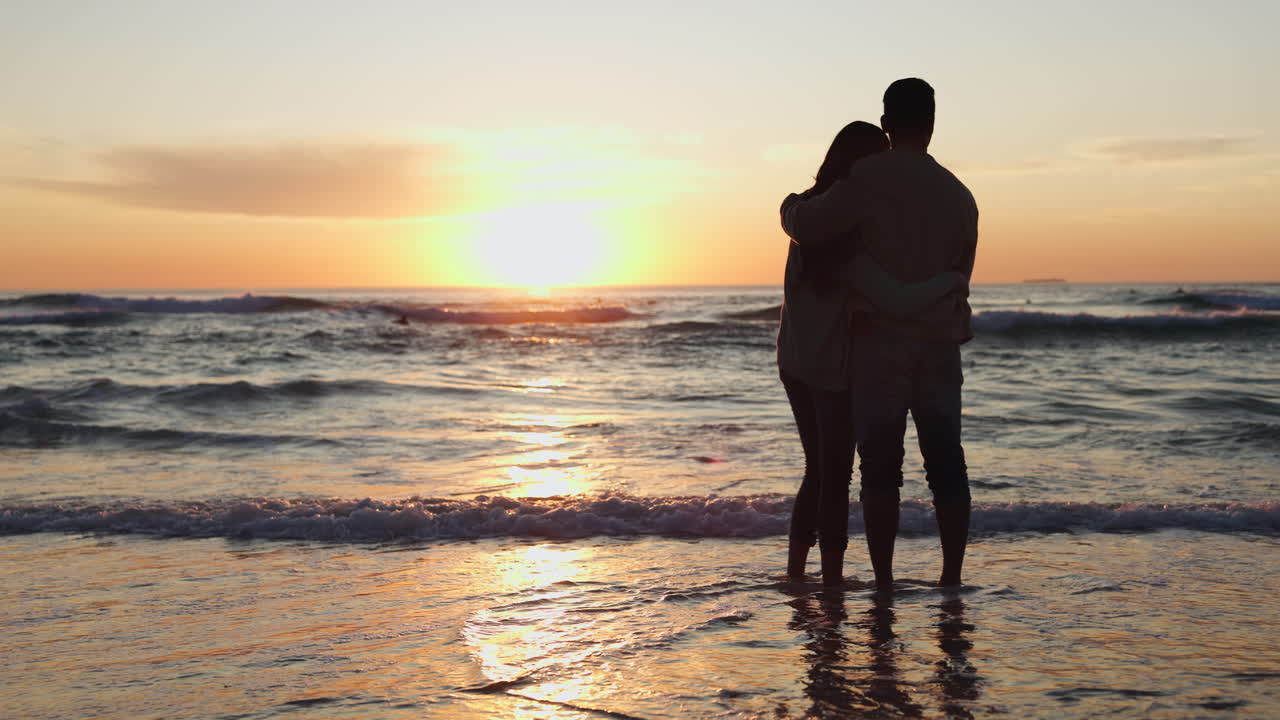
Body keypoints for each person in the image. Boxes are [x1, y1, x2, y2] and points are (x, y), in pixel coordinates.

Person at [783, 78, 978, 590]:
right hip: (938, 345)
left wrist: (788, 206)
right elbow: (962, 276)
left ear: (887, 123)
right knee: (947, 465)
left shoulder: (866, 179)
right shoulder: (960, 195)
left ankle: (885, 582)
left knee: (880, 470)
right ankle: (951, 580)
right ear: (932, 124)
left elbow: (811, 223)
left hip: (879, 344)